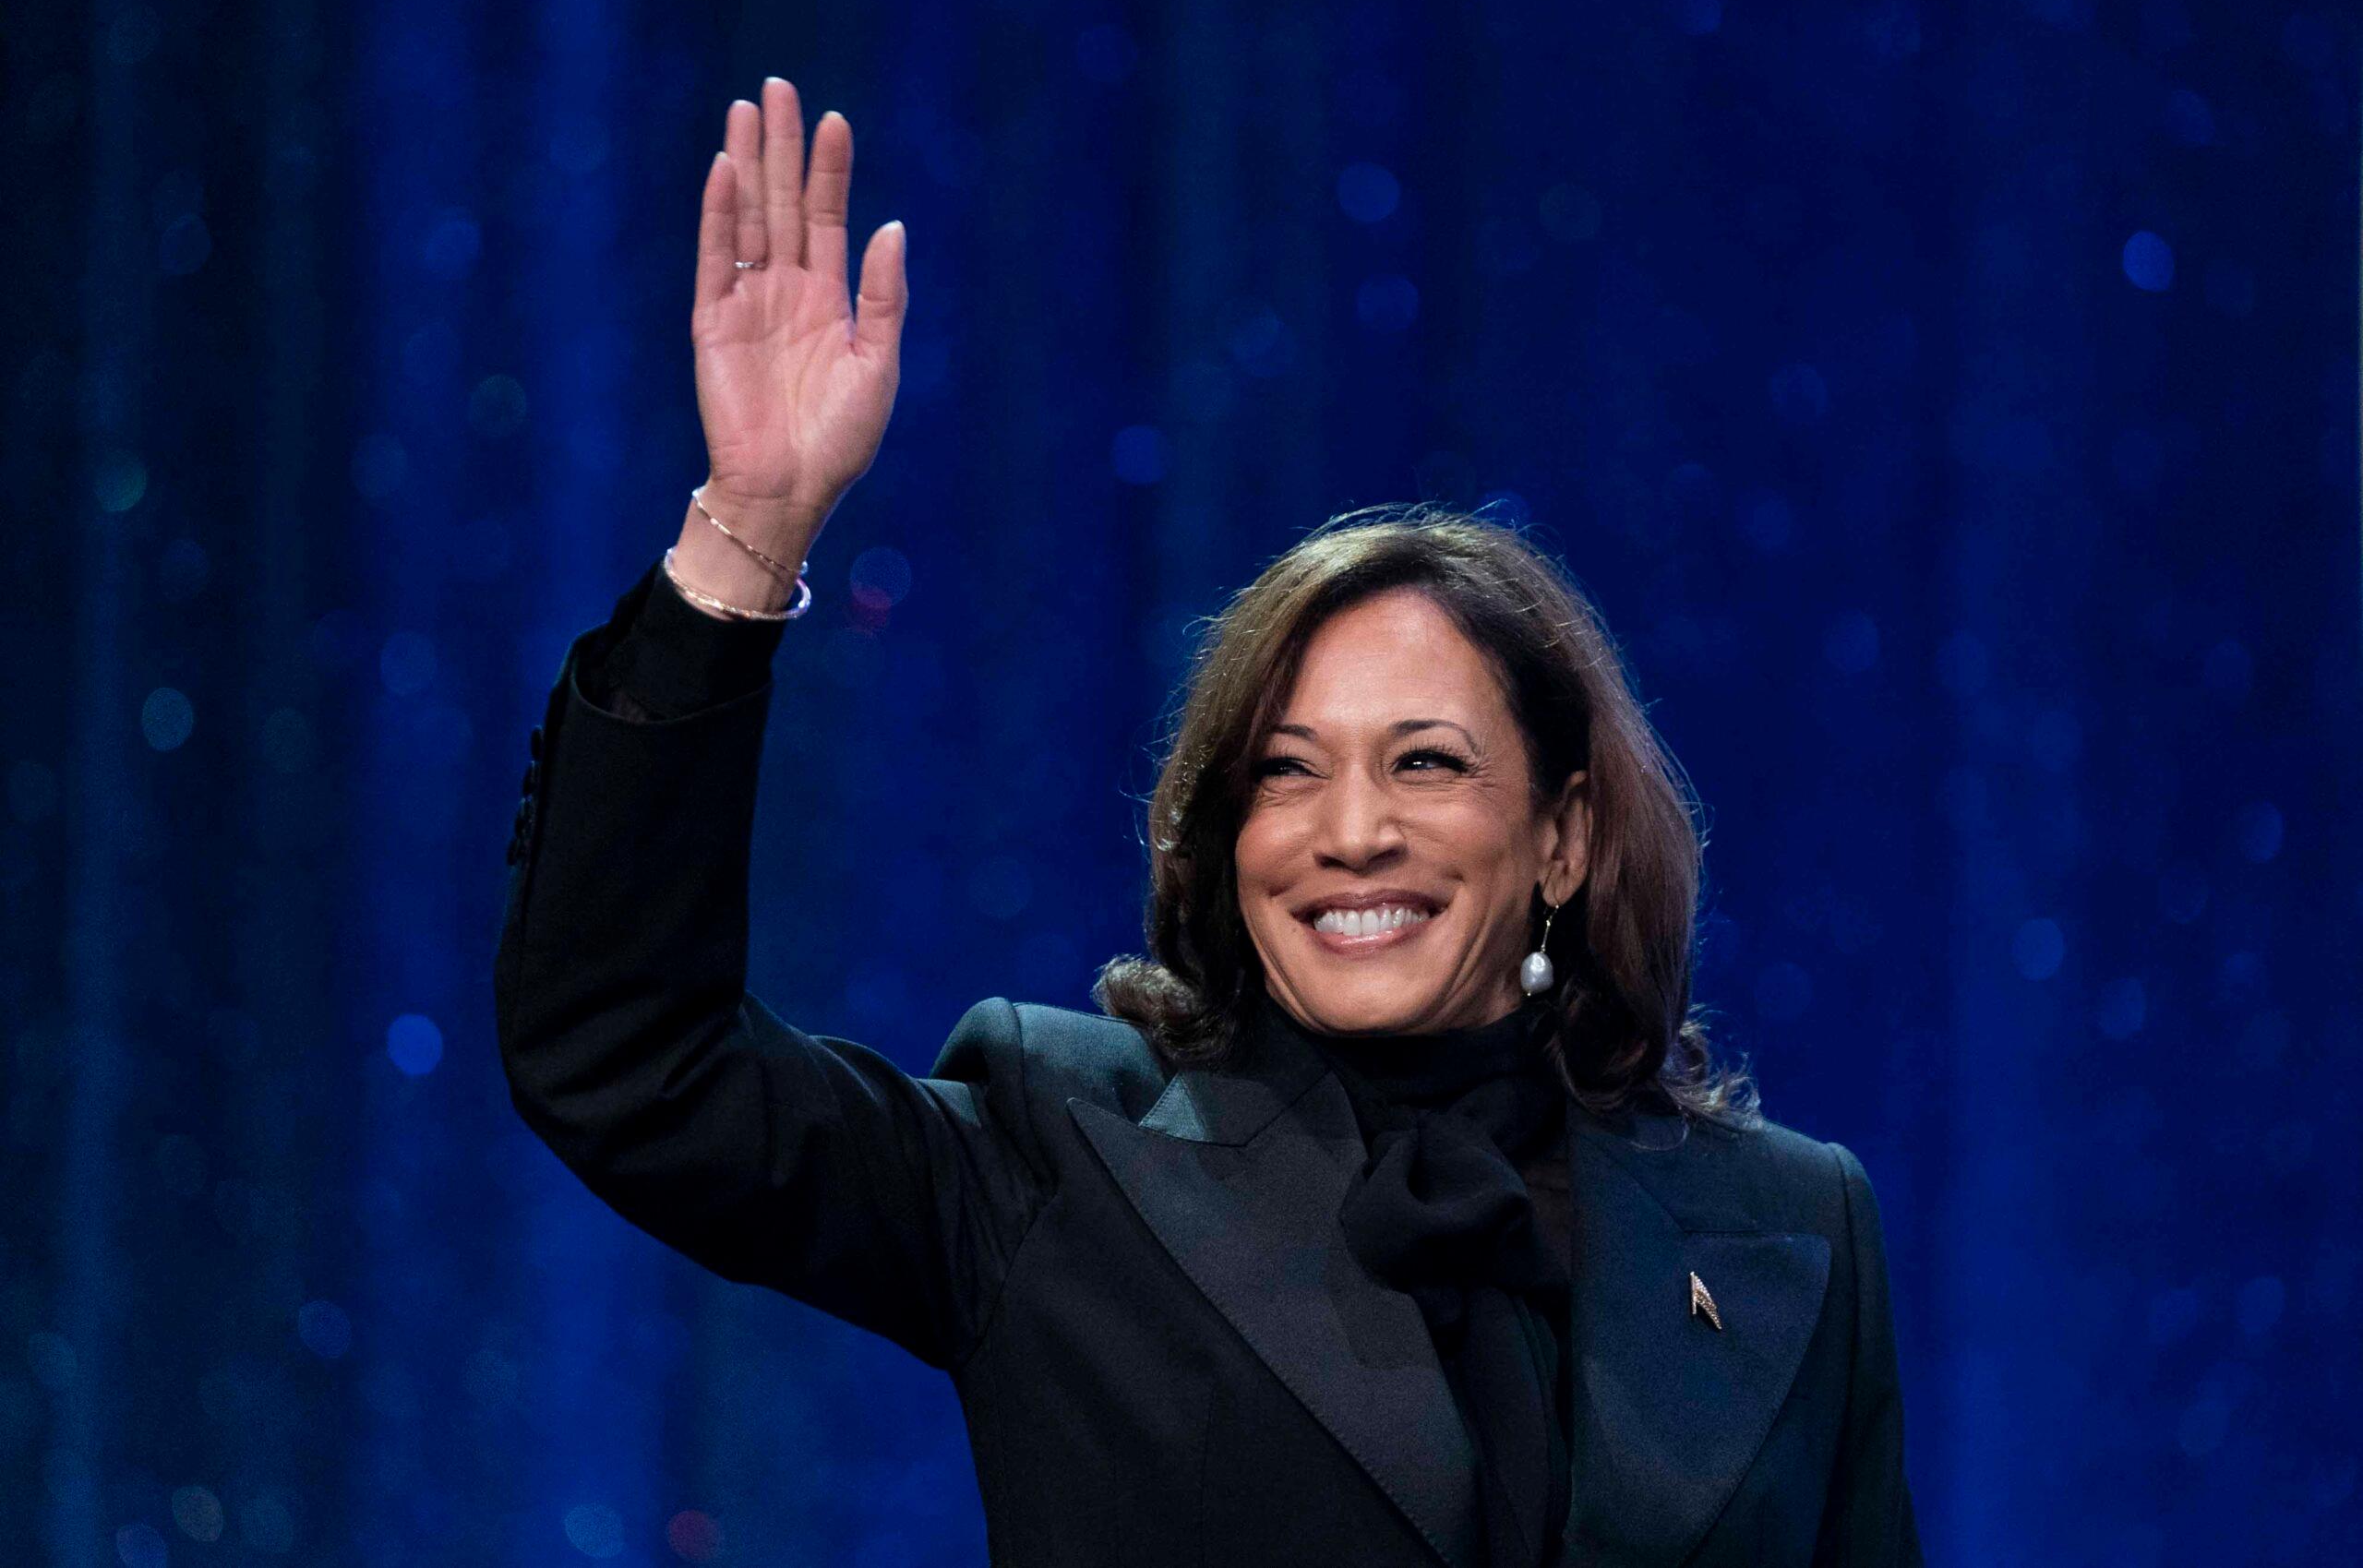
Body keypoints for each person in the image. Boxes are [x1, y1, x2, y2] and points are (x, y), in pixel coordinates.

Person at [494, 77, 1926, 1568]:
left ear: (1564, 836)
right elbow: (623, 1057)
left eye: (1426, 763)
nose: (1350, 829)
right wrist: (748, 533)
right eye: (1285, 771)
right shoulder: (1064, 1152)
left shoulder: (1790, 1232)